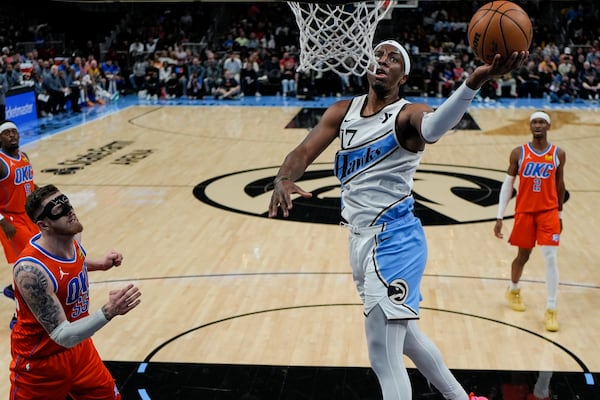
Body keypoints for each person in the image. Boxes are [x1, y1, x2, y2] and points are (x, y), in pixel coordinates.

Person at [268, 40, 526, 399]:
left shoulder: (408, 114)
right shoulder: (343, 111)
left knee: (383, 357)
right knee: (408, 340)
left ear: (403, 76)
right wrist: (283, 178)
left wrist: (473, 82)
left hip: (394, 242)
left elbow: (434, 128)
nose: (382, 60)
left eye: (393, 59)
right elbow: (302, 152)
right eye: (378, 54)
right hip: (359, 241)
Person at [9, 184, 142, 399]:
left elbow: (72, 263)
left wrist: (100, 264)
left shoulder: (72, 237)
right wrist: (109, 310)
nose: (69, 210)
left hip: (80, 346)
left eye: (66, 203)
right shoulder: (30, 271)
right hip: (42, 362)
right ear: (44, 224)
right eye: (57, 209)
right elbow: (62, 336)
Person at [494, 111, 566, 332]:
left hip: (548, 212)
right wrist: (499, 216)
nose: (537, 125)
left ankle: (551, 309)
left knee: (550, 257)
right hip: (525, 212)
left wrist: (560, 215)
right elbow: (508, 186)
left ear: (548, 126)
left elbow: (560, 184)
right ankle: (513, 289)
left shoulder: (558, 153)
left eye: (542, 122)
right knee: (522, 256)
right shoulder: (518, 153)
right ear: (530, 126)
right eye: (534, 122)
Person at [0, 120, 39, 330]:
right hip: (10, 219)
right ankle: (17, 317)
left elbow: (29, 185)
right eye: (7, 133)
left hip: (28, 215)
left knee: (38, 258)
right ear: (0, 138)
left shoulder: (24, 156)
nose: (12, 135)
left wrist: (45, 195)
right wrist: (2, 221)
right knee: (27, 264)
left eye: (14, 132)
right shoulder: (1, 161)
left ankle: (12, 288)